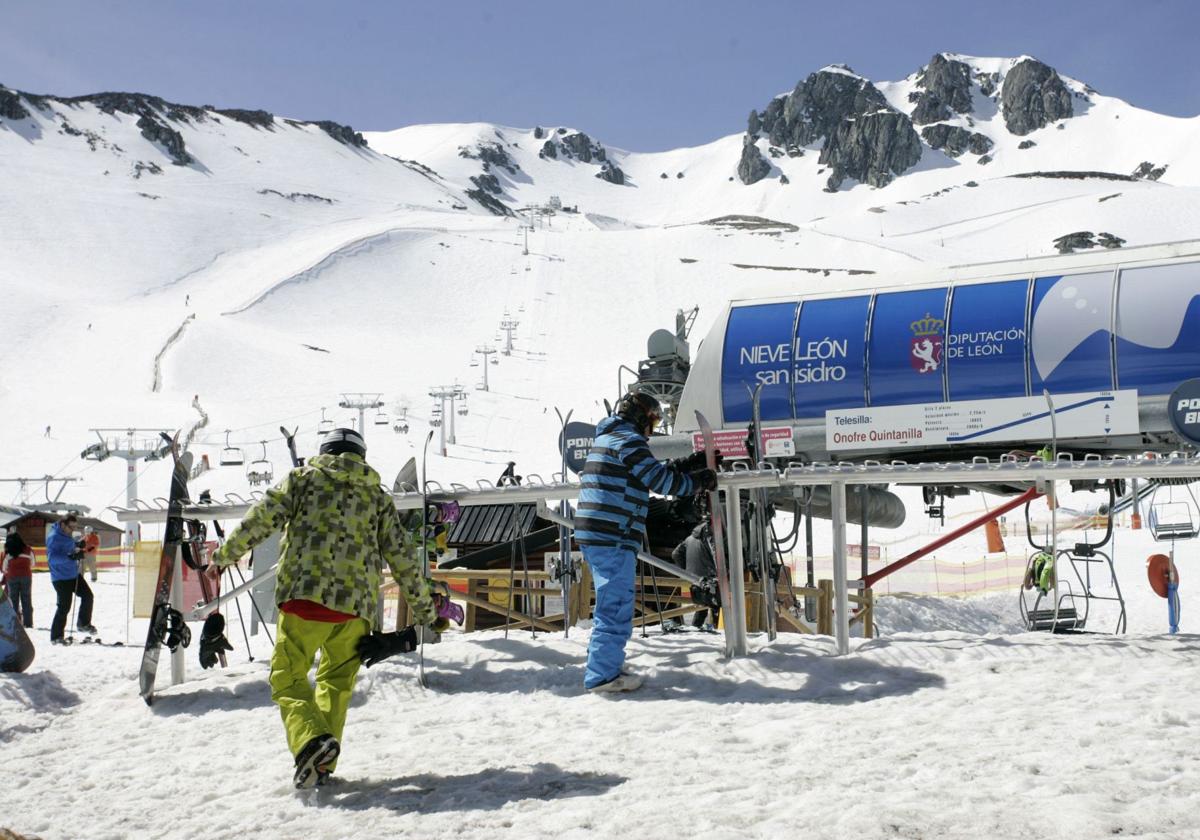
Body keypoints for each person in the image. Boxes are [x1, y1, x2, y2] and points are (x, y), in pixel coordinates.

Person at [210, 427, 437, 789]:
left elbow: (261, 519)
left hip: (304, 598)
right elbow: (403, 558)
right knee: (335, 683)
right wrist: (427, 613)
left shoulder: (301, 481)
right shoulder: (377, 498)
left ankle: (310, 742)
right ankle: (320, 765)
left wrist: (223, 556)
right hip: (356, 611)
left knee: (288, 678)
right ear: (361, 457)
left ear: (324, 450)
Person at [574, 392, 715, 693]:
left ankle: (605, 665)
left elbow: (645, 473)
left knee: (612, 601)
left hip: (598, 532)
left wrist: (686, 465)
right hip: (612, 533)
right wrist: (698, 482)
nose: (652, 429)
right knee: (616, 604)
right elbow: (660, 482)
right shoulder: (628, 441)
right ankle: (602, 676)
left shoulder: (609, 438)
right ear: (641, 417)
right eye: (653, 421)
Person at [47, 513, 97, 643]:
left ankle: (83, 624)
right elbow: (52, 559)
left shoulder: (67, 535)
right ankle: (56, 636)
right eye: (71, 527)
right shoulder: (54, 537)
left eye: (75, 527)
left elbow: (69, 546)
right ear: (63, 525)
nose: (73, 530)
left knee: (88, 596)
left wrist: (77, 545)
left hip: (73, 574)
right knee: (64, 607)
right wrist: (70, 557)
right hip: (60, 578)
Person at [672, 522, 720, 632]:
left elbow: (675, 554)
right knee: (716, 601)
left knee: (703, 603)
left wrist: (685, 570)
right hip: (709, 575)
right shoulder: (709, 539)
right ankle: (717, 629)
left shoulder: (689, 539)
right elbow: (717, 556)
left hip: (693, 577)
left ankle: (697, 627)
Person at [3, 532, 35, 628]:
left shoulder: (8, 552)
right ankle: (28, 623)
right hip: (26, 576)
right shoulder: (28, 550)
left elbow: (4, 568)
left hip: (12, 577)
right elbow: (33, 564)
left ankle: (15, 623)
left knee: (13, 600)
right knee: (26, 599)